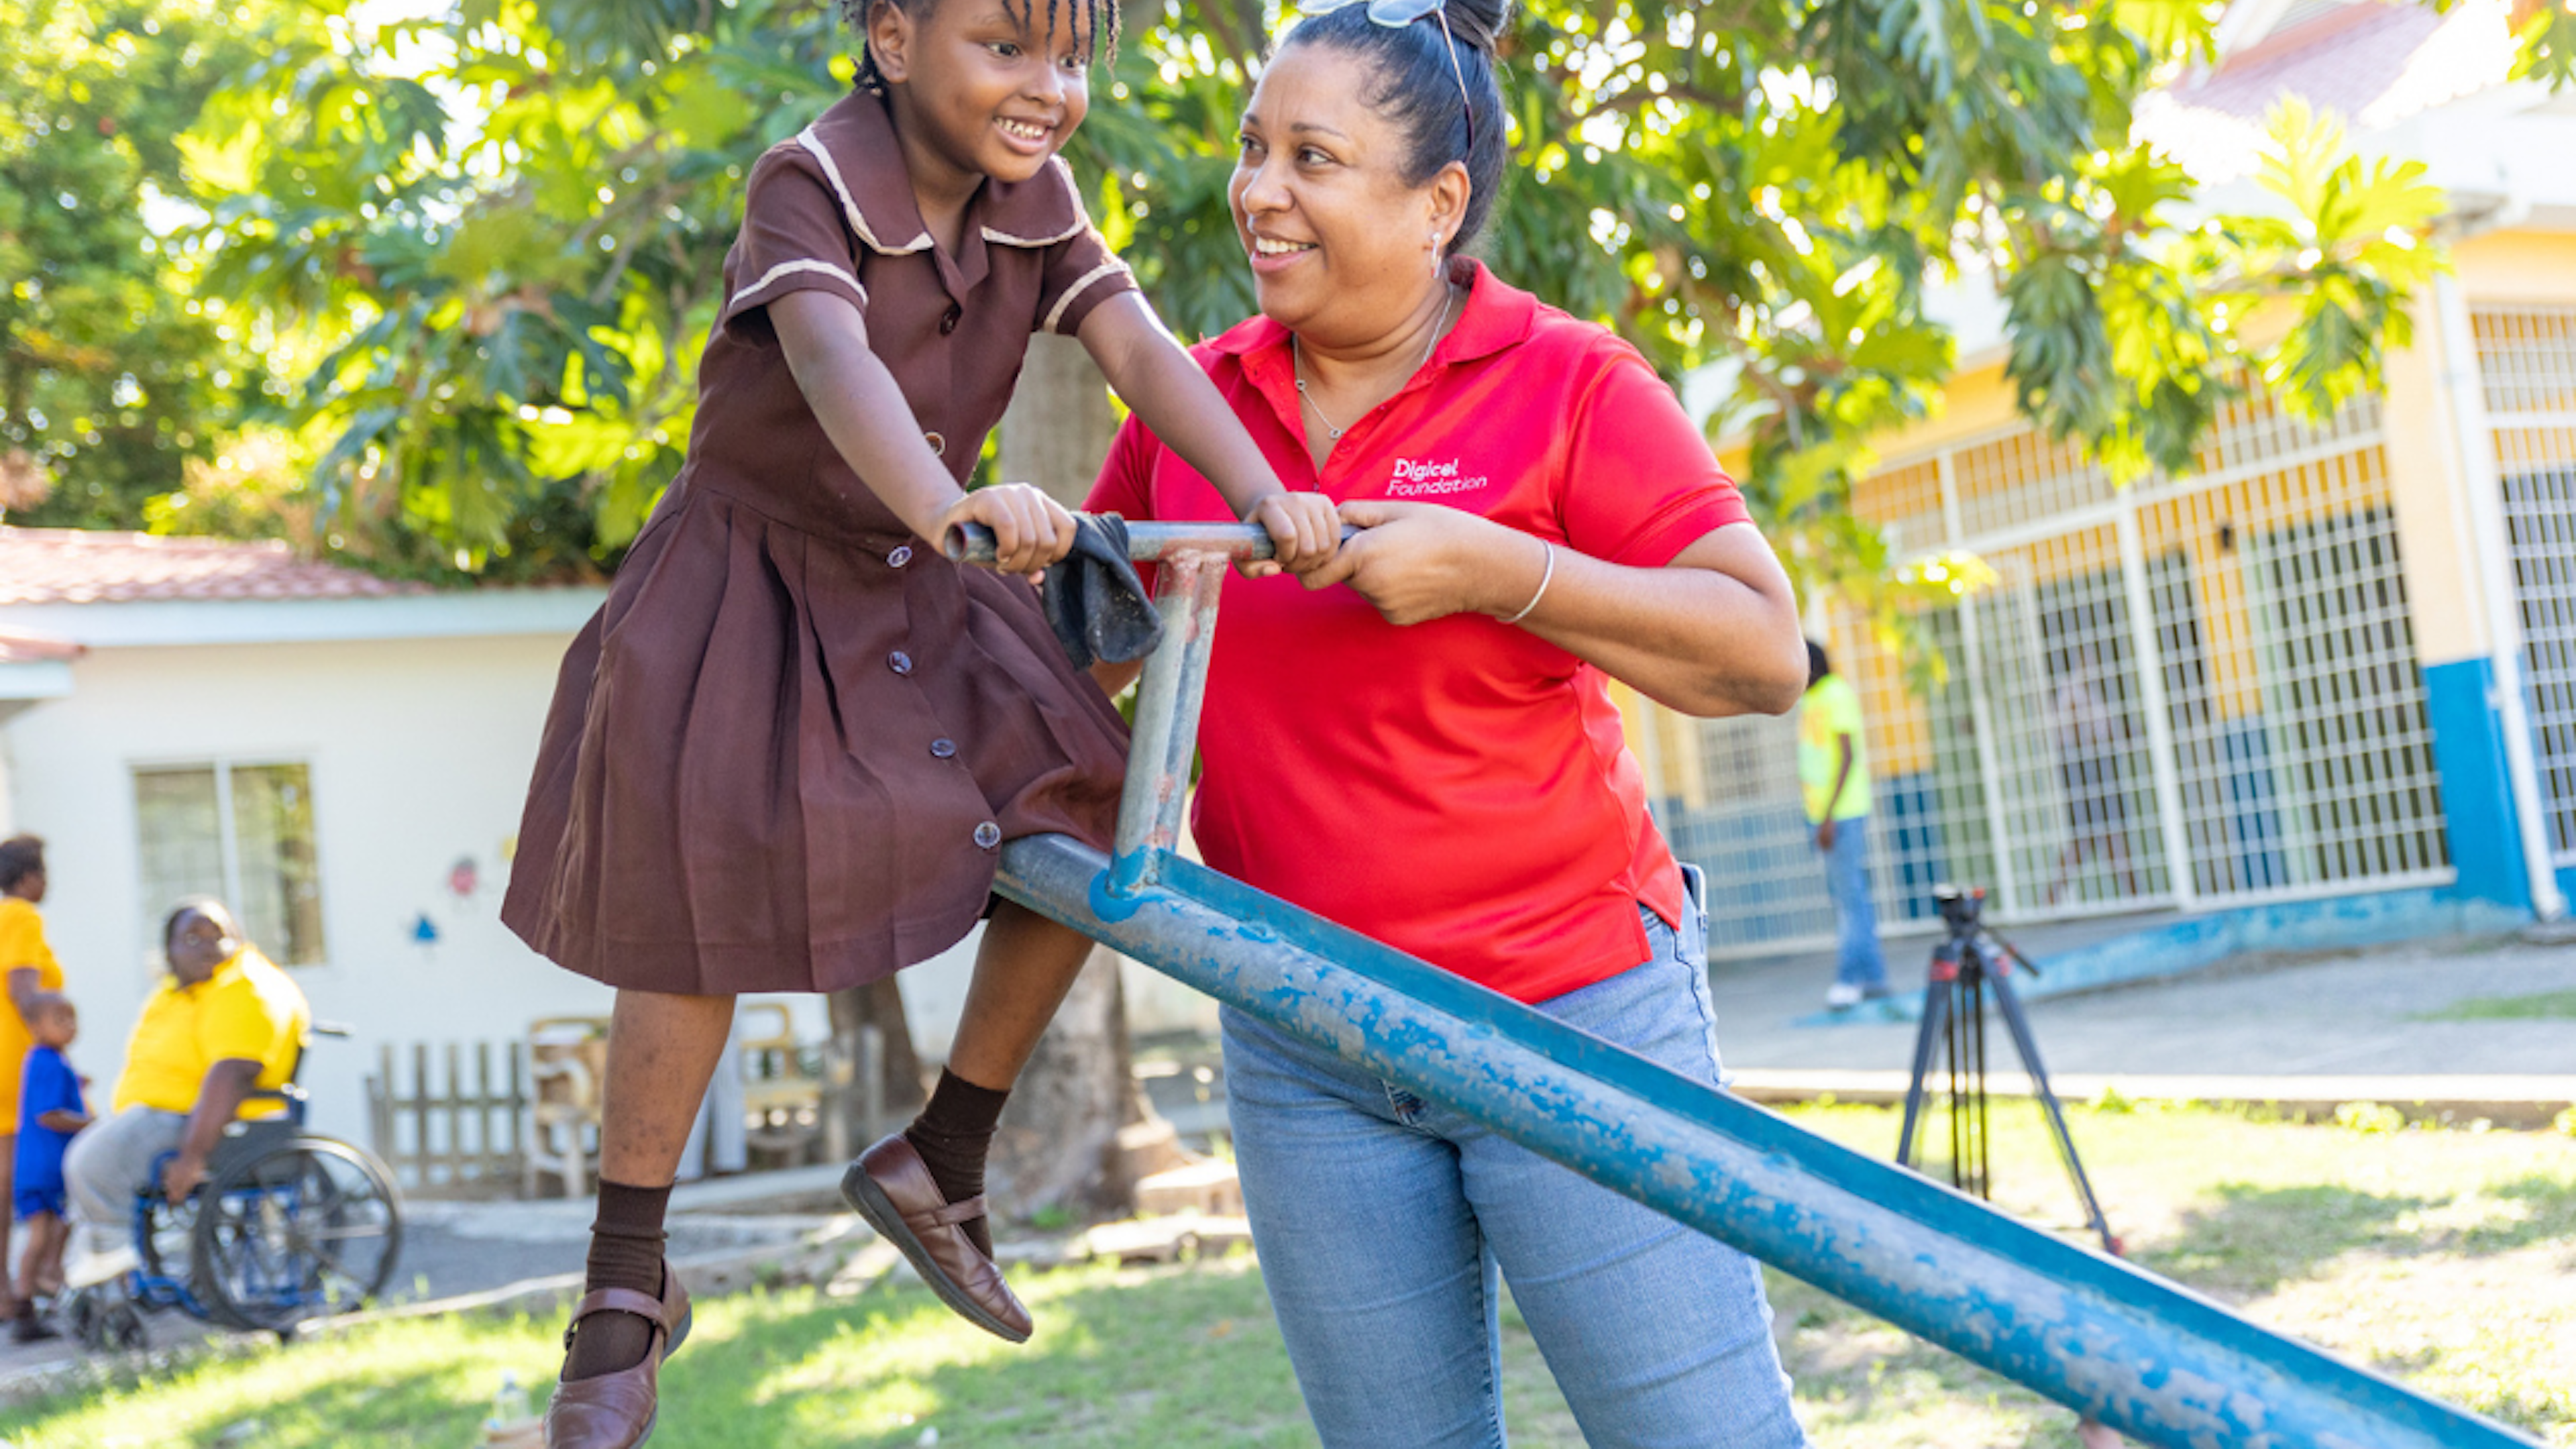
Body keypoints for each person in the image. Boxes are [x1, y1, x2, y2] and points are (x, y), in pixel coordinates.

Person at [495, 0, 1341, 1440]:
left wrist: (1262, 491)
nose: (1048, 89)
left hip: (914, 581)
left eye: (1073, 59)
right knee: (700, 892)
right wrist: (957, 510)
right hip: (756, 578)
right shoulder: (806, 182)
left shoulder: (1040, 199)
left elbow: (1135, 349)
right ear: (892, 40)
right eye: (1006, 46)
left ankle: (945, 1155)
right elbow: (838, 370)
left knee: (1094, 796)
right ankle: (622, 1289)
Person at [1082, 1, 1816, 1440]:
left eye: (1313, 156)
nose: (1258, 190)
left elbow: (1762, 653)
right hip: (1305, 1038)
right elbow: (1069, 666)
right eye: (1251, 149)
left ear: (1440, 204)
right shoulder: (1199, 404)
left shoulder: (1570, 384)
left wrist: (1503, 573)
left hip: (1574, 1016)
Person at [62, 900, 309, 1289]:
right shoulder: (182, 991)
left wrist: (192, 1157)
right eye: (193, 938)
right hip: (159, 1114)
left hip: (208, 1123)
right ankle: (101, 1270)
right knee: (84, 1158)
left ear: (239, 941)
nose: (209, 946)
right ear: (170, 951)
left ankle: (111, 1270)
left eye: (220, 936)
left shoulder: (246, 987)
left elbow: (234, 1073)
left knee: (91, 1161)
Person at [1799, 640, 1890, 1008]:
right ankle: (1875, 977)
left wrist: (1830, 816)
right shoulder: (1812, 699)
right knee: (1849, 898)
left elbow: (1848, 756)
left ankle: (1850, 979)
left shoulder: (1836, 694)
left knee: (1850, 901)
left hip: (1841, 814)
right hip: (1822, 814)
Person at [0, 834, 67, 1325]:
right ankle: (17, 1289)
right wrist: (53, 1051)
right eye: (42, 872)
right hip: (20, 1064)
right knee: (13, 1179)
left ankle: (15, 1287)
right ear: (28, 877)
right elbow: (23, 988)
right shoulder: (21, 915)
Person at [12, 992, 89, 1340]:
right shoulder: (49, 1062)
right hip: (44, 1166)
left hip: (38, 1164)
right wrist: (90, 1125)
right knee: (46, 1231)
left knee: (52, 1227)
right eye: (60, 1020)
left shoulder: (48, 1061)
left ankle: (35, 1292)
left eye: (72, 1019)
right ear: (35, 1027)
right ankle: (36, 1288)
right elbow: (49, 1115)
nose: (70, 1027)